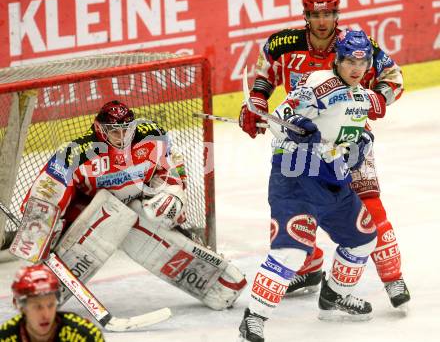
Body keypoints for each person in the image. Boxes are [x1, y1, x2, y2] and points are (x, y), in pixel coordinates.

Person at [239, 0, 410, 310]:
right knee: (296, 209)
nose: (322, 21)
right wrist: (255, 106)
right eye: (316, 14)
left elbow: (393, 75)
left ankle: (392, 277)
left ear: (337, 14)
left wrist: (377, 97)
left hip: (349, 139)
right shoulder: (283, 44)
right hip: (301, 142)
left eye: (328, 13)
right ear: (306, 14)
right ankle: (308, 268)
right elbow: (263, 78)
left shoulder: (355, 46)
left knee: (369, 206)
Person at [12, 100, 245, 312]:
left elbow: (171, 169)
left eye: (126, 129)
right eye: (114, 130)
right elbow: (47, 193)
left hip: (135, 205)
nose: (121, 136)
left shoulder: (151, 138)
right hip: (86, 213)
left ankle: (215, 276)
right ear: (101, 129)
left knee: (157, 212)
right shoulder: (76, 153)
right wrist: (41, 231)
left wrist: (173, 195)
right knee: (108, 211)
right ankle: (40, 289)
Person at [239, 29, 381, 341]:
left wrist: (359, 147)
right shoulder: (319, 83)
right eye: (349, 61)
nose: (356, 68)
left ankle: (333, 295)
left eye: (363, 62)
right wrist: (295, 130)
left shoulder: (361, 95)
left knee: (363, 239)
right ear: (339, 60)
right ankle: (254, 317)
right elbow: (279, 120)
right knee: (291, 252)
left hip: (332, 181)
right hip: (296, 180)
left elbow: (347, 136)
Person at [0, 263, 105, 341]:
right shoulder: (5, 336)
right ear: (21, 307)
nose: (46, 315)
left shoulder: (84, 335)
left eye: (51, 305)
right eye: (37, 307)